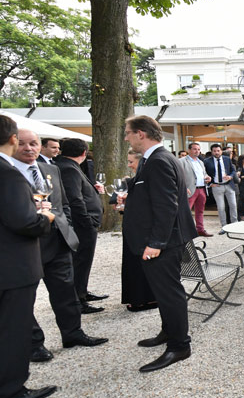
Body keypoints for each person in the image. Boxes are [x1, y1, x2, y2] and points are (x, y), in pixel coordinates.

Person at [12, 129, 108, 363]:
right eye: (22, 144)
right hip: (24, 246)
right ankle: (34, 344)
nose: (29, 148)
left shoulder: (50, 169)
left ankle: (73, 333)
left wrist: (67, 228)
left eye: (33, 143)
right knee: (23, 299)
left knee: (66, 290)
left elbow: (63, 203)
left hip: (57, 241)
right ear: (13, 144)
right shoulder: (8, 173)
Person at [122, 115, 197, 372]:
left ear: (141, 133)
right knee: (164, 292)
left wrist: (156, 242)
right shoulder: (154, 159)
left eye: (128, 132)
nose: (126, 137)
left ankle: (179, 345)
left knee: (170, 292)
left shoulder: (159, 160)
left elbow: (167, 205)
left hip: (163, 243)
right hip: (161, 240)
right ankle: (168, 331)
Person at [0, 115, 58, 398]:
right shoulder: (8, 174)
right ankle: (11, 390)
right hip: (12, 266)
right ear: (12, 139)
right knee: (13, 328)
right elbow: (24, 223)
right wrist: (45, 218)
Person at [55, 138, 108, 307]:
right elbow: (75, 199)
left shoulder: (68, 166)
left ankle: (82, 291)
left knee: (84, 260)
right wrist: (87, 222)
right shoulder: (68, 169)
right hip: (82, 224)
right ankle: (78, 299)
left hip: (84, 222)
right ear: (84, 153)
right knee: (80, 261)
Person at [118, 150, 157, 312]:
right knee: (133, 266)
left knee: (141, 265)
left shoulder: (148, 180)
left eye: (131, 162)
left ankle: (143, 299)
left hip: (143, 230)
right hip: (133, 229)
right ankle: (138, 298)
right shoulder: (135, 180)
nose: (129, 165)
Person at [180, 142, 213, 237]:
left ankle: (200, 229)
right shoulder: (182, 161)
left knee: (200, 211)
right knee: (186, 211)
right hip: (189, 190)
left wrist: (208, 177)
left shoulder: (200, 162)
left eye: (198, 149)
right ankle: (184, 232)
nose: (197, 151)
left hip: (201, 189)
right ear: (189, 150)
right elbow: (177, 176)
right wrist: (183, 187)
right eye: (194, 149)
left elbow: (204, 174)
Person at [204, 143, 238, 233]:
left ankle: (235, 225)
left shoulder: (227, 159)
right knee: (221, 207)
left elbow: (233, 170)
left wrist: (230, 176)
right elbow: (204, 174)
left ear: (221, 151)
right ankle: (224, 227)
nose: (216, 153)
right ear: (212, 152)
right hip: (217, 186)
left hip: (229, 185)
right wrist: (210, 184)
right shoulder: (207, 161)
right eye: (214, 151)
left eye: (218, 151)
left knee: (233, 205)